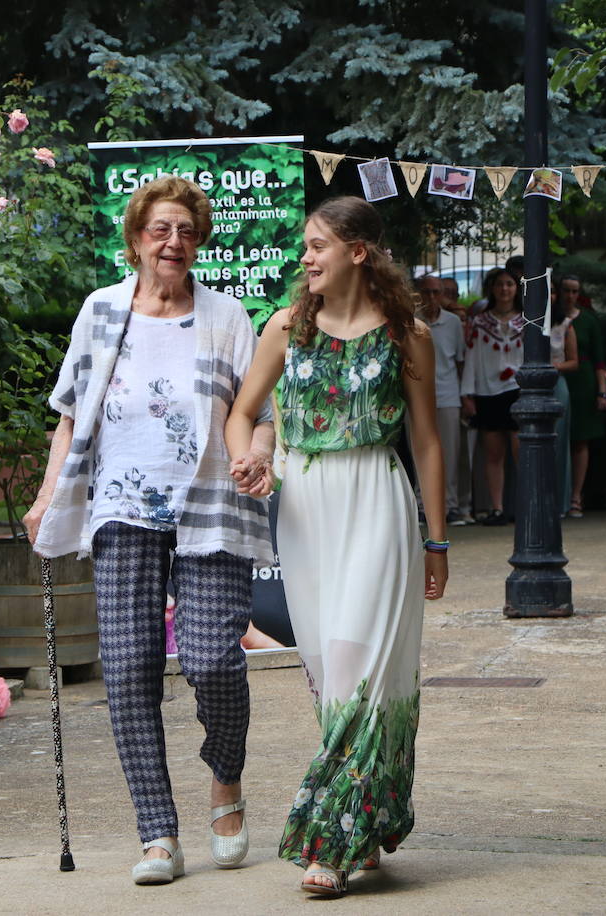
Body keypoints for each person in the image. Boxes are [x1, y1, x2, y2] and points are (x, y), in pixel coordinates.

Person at [23, 176, 275, 885]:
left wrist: (256, 451)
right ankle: (157, 833)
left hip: (211, 501)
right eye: (161, 230)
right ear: (136, 239)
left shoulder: (227, 317)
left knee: (213, 659)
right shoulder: (102, 311)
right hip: (122, 505)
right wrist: (48, 496)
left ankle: (225, 778)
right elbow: (71, 415)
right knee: (130, 668)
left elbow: (256, 410)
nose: (174, 243)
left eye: (187, 231)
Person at [225, 196, 448, 898]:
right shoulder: (287, 328)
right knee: (328, 678)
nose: (306, 256)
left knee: (359, 667)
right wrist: (247, 458)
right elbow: (242, 412)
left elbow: (427, 442)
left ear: (358, 252)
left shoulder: (407, 334)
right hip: (304, 509)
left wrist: (437, 540)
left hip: (376, 501)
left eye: (319, 244)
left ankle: (326, 841)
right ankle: (373, 814)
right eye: (305, 245)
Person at [461, 267, 525, 525]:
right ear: (492, 288)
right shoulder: (480, 323)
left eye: (510, 284)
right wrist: (468, 393)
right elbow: (472, 359)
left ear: (516, 288)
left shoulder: (526, 321)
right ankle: (497, 508)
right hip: (488, 392)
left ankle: (525, 505)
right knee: (494, 454)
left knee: (522, 451)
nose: (505, 289)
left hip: (517, 390)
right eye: (500, 284)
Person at [417, 274, 468, 526]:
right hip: (417, 396)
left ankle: (450, 505)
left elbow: (460, 361)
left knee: (449, 452)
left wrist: (463, 394)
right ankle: (421, 504)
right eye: (427, 292)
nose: (432, 298)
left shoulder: (453, 322)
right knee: (419, 451)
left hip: (448, 393)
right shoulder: (412, 321)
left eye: (437, 292)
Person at [556, 275, 606, 518]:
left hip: (583, 382)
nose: (570, 295)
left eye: (575, 291)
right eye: (566, 290)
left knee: (580, 440)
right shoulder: (552, 320)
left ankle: (576, 495)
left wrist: (602, 390)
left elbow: (599, 360)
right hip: (558, 382)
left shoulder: (588, 321)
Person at [548, 287, 580, 517]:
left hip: (556, 384)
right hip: (524, 385)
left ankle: (559, 503)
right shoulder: (521, 320)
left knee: (557, 444)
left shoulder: (565, 324)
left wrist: (554, 367)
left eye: (550, 291)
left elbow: (574, 362)